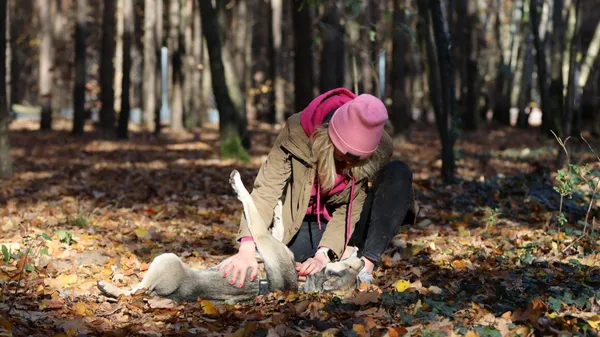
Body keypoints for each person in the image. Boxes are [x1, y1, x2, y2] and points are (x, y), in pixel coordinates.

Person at [217, 88, 416, 289]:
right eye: (341, 157)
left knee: (398, 173)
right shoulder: (296, 132)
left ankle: (364, 267)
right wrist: (247, 247)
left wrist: (324, 254)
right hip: (302, 223)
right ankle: (339, 258)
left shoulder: (380, 146)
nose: (346, 165)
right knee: (289, 260)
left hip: (346, 227)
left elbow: (352, 206)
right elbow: (266, 190)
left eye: (355, 162)